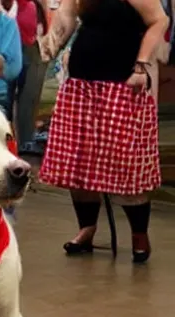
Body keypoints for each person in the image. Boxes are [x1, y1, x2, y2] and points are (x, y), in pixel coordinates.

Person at [38, 0, 169, 264]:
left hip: (123, 84)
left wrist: (141, 64)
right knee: (79, 162)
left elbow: (160, 20)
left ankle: (139, 235)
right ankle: (87, 228)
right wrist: (49, 42)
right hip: (81, 83)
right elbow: (67, 18)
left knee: (127, 164)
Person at [3, 0, 49, 152]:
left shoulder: (30, 6)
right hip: (12, 50)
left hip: (27, 48)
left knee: (25, 98)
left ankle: (23, 142)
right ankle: (11, 142)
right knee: (8, 99)